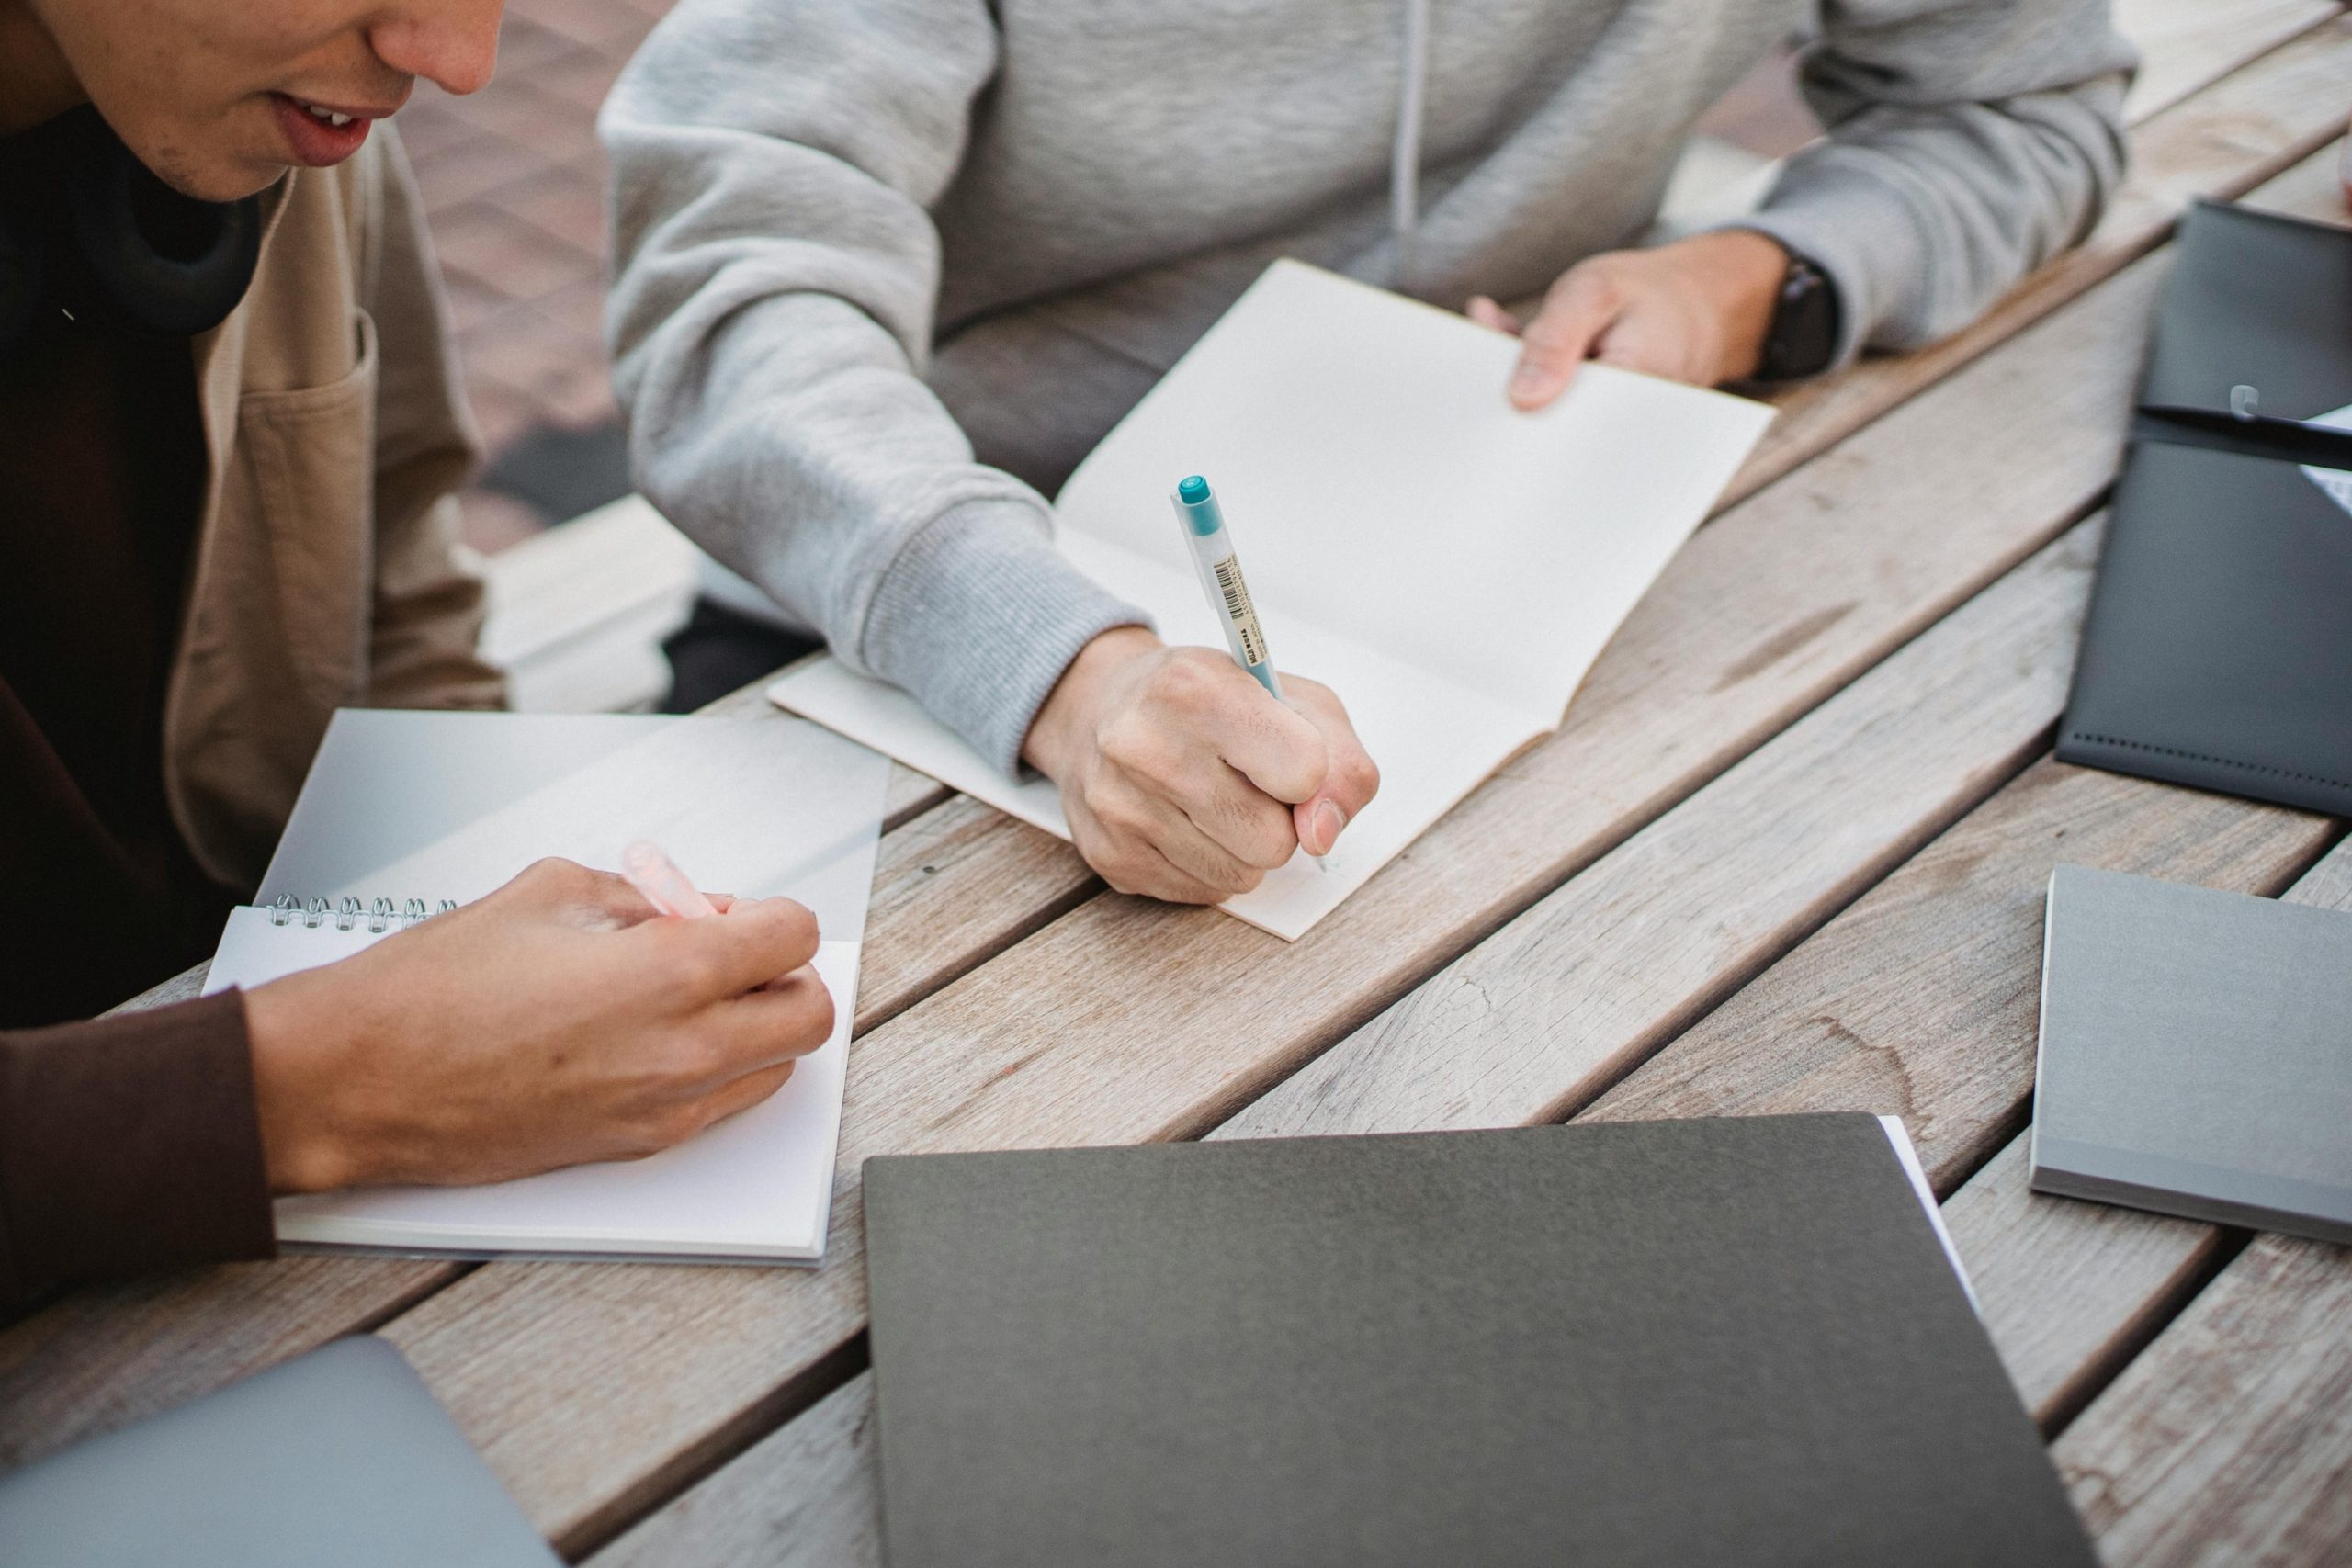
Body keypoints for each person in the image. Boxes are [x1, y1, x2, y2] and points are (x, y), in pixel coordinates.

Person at [602, 0, 2133, 906]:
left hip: (1505, 579)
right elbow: (734, 282)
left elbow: (2026, 111)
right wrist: (1057, 667)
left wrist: (1743, 286)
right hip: (915, 612)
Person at [0, 0, 834, 1300]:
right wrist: (318, 1090)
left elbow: (399, 578)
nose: (457, 60)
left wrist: (480, 905)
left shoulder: (291, 119)